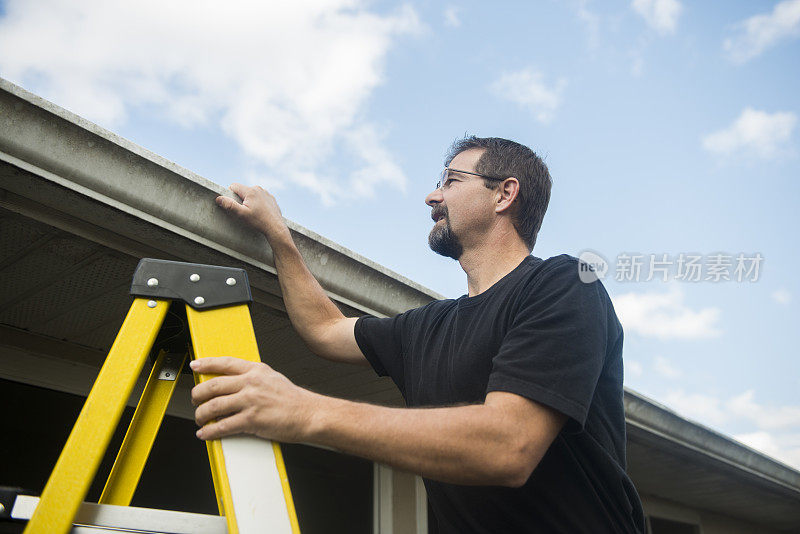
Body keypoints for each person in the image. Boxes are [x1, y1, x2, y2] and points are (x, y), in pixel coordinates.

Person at [190, 136, 646, 533]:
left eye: (450, 180)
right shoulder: (426, 327)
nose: (432, 195)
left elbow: (510, 444)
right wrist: (278, 235)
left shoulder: (564, 284)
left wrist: (304, 411)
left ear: (504, 193)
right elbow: (325, 330)